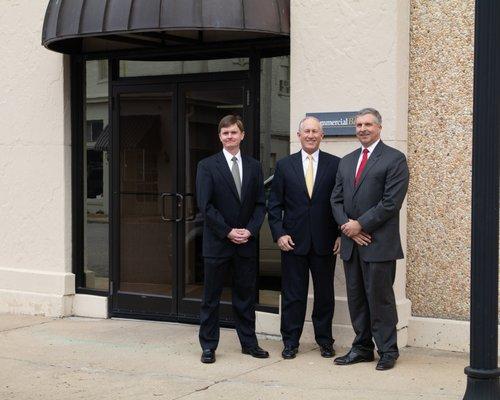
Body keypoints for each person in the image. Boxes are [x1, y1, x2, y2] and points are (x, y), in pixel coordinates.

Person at [330, 108, 409, 371]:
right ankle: (362, 348)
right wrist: (347, 227)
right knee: (357, 300)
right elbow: (336, 199)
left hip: (379, 244)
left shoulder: (395, 159)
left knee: (380, 300)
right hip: (353, 245)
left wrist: (360, 224)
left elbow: (390, 203)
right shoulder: (347, 160)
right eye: (359, 125)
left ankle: (388, 350)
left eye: (368, 124)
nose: (363, 129)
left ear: (379, 127)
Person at [196, 115, 268, 364]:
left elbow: (260, 204)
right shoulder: (207, 166)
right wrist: (228, 231)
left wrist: (250, 230)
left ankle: (249, 343)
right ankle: (208, 346)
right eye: (225, 133)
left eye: (233, 133)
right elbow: (206, 206)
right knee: (211, 298)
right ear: (220, 137)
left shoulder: (254, 166)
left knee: (245, 297)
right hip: (218, 243)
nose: (229, 137)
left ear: (242, 135)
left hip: (246, 243)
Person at [268, 116, 341, 360]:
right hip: (293, 242)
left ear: (322, 136)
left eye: (315, 132)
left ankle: (325, 341)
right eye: (306, 131)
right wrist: (279, 234)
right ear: (298, 136)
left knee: (324, 296)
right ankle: (290, 341)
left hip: (325, 241)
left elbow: (340, 204)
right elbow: (274, 204)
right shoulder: (284, 166)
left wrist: (341, 233)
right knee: (293, 295)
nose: (310, 135)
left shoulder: (335, 165)